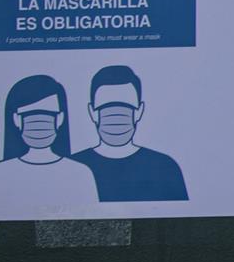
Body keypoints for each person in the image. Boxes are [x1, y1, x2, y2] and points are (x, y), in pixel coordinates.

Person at [71, 64, 188, 201]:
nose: (116, 115)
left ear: (139, 111)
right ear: (92, 112)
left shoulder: (164, 166)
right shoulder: (74, 166)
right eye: (105, 107)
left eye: (126, 106)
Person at [0, 74, 99, 213]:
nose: (39, 122)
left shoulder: (81, 173)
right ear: (16, 119)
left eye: (47, 114)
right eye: (30, 115)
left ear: (60, 118)